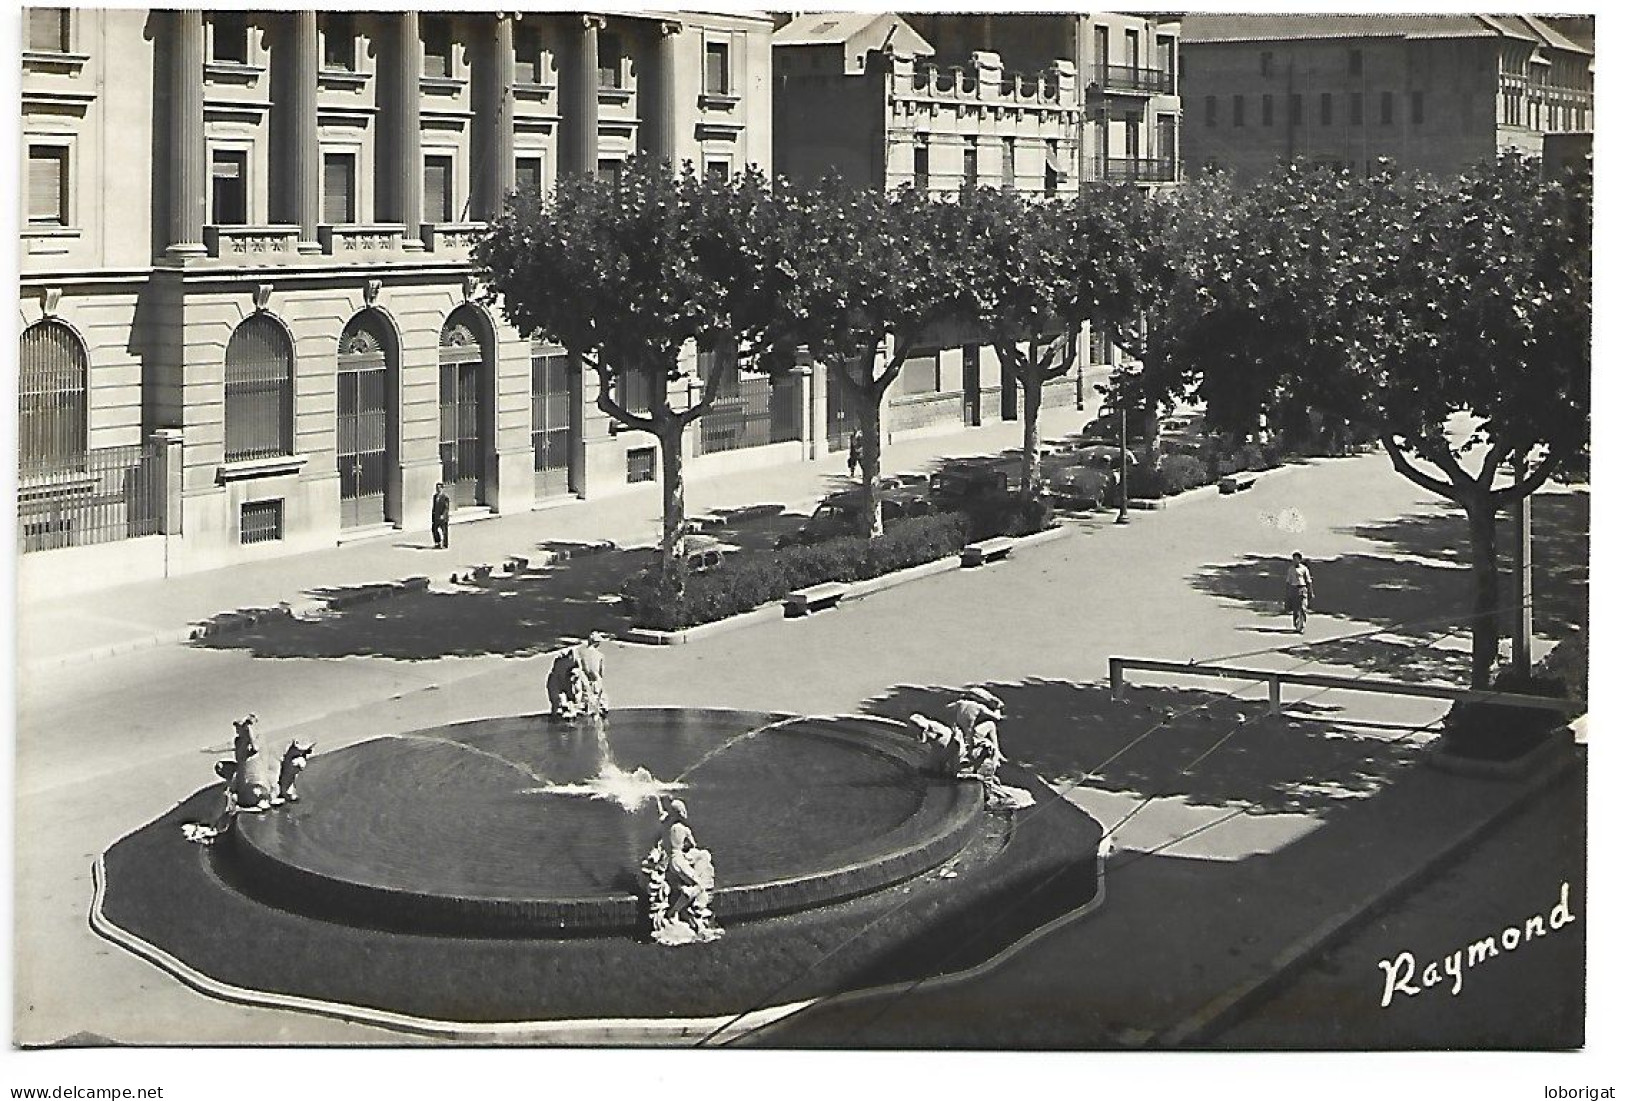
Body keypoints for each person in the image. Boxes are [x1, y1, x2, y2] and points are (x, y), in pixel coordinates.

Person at [577, 632, 609, 717]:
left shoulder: (582, 653)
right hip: (596, 678)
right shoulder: (600, 655)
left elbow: (581, 667)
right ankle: (601, 711)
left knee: (586, 696)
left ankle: (585, 709)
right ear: (596, 643)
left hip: (585, 678)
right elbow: (601, 671)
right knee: (599, 696)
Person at [1286, 551, 1315, 633]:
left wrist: (1311, 591)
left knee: (1303, 608)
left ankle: (1301, 626)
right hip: (1294, 588)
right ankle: (1296, 624)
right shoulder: (1291, 569)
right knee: (1295, 609)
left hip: (1302, 588)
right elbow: (1288, 581)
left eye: (1296, 559)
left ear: (1300, 560)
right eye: (1293, 559)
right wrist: (1288, 592)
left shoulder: (1304, 569)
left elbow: (1309, 581)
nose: (1295, 561)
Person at [431, 483, 452, 549]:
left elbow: (446, 508)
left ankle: (445, 544)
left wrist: (443, 515)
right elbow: (434, 507)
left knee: (444, 531)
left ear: (442, 488)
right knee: (434, 529)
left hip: (443, 517)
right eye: (437, 488)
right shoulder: (435, 496)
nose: (438, 489)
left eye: (439, 488)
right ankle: (437, 542)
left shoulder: (445, 497)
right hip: (436, 517)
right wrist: (433, 515)